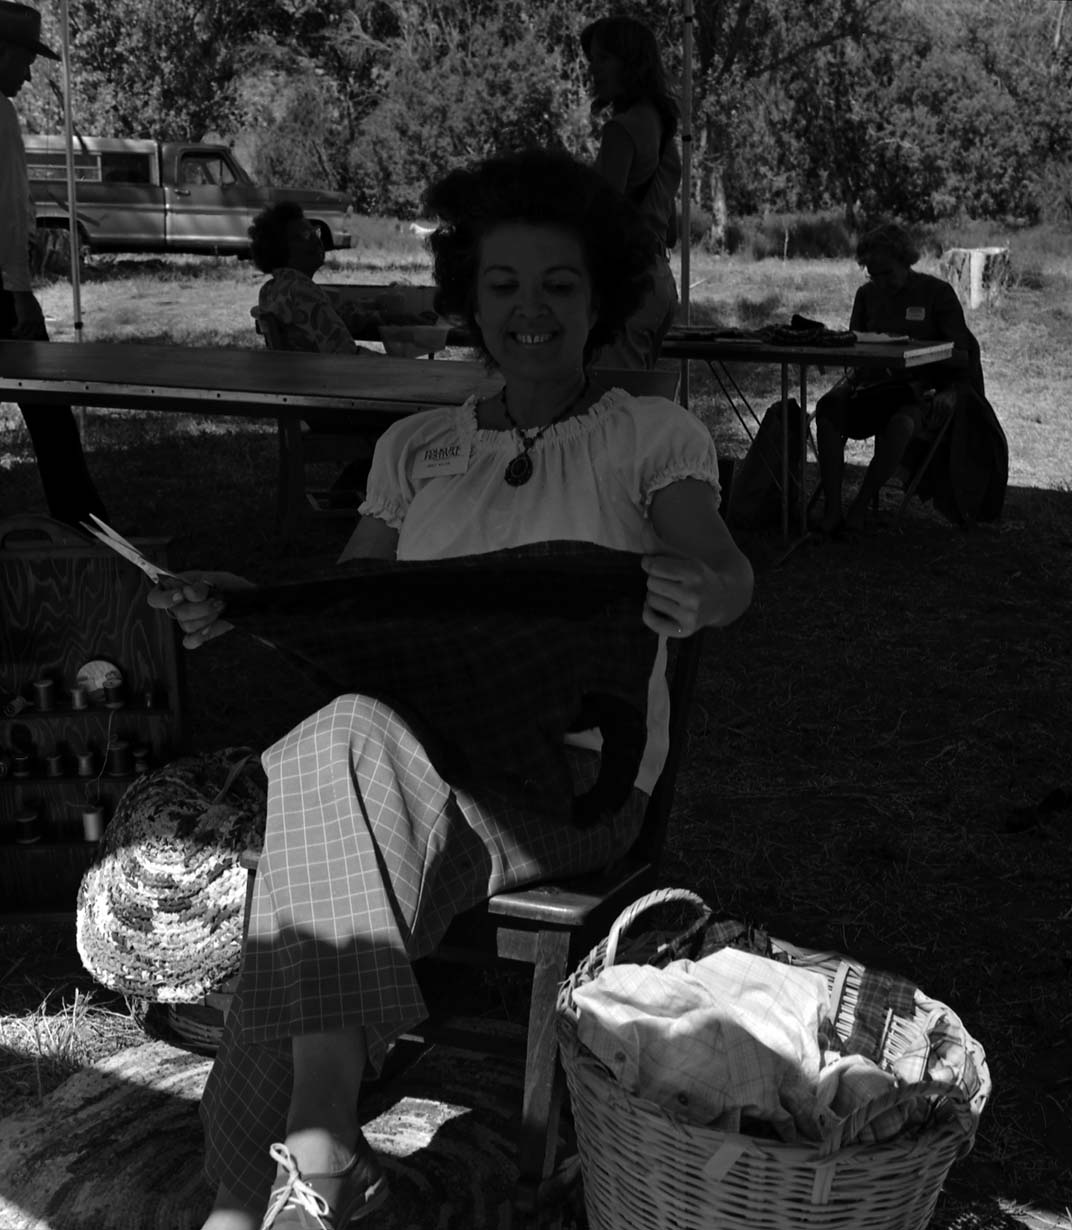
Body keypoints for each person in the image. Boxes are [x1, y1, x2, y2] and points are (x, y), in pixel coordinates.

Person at [150, 148, 753, 1230]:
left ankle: (266, 1185)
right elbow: (352, 602)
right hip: (408, 773)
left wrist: (699, 589)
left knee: (322, 790)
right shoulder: (415, 447)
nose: (532, 311)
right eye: (506, 286)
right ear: (469, 299)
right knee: (339, 752)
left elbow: (724, 569)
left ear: (599, 298)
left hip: (559, 788)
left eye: (559, 286)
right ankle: (314, 1165)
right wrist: (249, 600)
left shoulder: (650, 438)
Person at [0, 1, 106, 526]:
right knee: (48, 411)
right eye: (24, 60)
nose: (28, 72)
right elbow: (6, 209)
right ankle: (84, 522)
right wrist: (19, 289)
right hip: (0, 289)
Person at [814, 221, 978, 534]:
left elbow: (961, 353)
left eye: (886, 273)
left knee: (901, 424)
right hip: (870, 388)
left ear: (905, 261)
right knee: (828, 410)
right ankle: (832, 510)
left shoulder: (937, 294)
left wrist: (952, 391)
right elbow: (855, 346)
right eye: (872, 274)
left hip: (917, 393)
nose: (880, 282)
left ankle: (859, 509)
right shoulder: (866, 295)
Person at [581, 14, 681, 370]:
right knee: (642, 410)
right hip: (660, 285)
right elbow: (669, 232)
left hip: (627, 288)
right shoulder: (663, 128)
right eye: (592, 61)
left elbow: (600, 222)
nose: (594, 71)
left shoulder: (621, 130)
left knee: (613, 414)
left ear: (631, 64)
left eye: (603, 59)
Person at [249, 201, 389, 356]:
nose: (316, 240)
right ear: (280, 249)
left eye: (314, 232)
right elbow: (345, 354)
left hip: (301, 376)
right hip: (328, 377)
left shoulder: (270, 289)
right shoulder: (301, 291)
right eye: (304, 235)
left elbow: (333, 321)